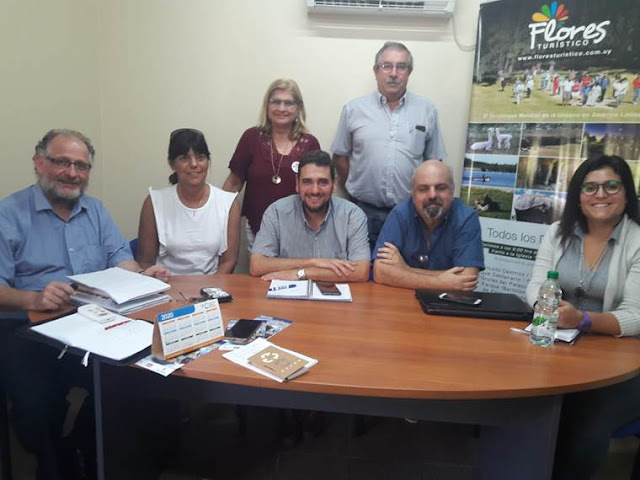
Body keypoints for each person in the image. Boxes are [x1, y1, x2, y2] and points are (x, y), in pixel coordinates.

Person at [0, 129, 169, 480]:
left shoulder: (96, 210)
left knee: (133, 381)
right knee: (36, 404)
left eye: (81, 166)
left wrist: (144, 275)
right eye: (62, 162)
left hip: (94, 325)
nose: (72, 173)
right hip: (27, 329)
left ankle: (90, 449)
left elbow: (121, 261)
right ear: (39, 163)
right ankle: (56, 463)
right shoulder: (9, 214)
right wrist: (34, 298)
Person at [525, 154, 640, 479]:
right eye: (590, 188)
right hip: (556, 347)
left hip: (622, 362)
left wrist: (583, 320)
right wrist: (547, 309)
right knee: (526, 409)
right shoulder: (556, 232)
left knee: (584, 428)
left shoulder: (637, 241)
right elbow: (535, 286)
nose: (600, 194)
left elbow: (636, 315)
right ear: (578, 196)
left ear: (626, 193)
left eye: (611, 186)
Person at [331, 41, 446, 248]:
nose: (393, 73)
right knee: (360, 266)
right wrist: (356, 190)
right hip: (362, 212)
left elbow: (434, 162)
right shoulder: (353, 109)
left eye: (401, 67)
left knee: (405, 267)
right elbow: (340, 156)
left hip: (411, 213)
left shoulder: (426, 109)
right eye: (387, 66)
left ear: (409, 72)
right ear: (376, 71)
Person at [222, 79, 320, 249]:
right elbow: (233, 183)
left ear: (298, 107)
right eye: (275, 102)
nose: (281, 108)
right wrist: (217, 218)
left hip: (300, 232)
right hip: (258, 228)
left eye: (288, 103)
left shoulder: (310, 144)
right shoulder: (251, 138)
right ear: (267, 106)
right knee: (260, 267)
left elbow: (317, 190)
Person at [250, 150, 370, 283]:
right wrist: (313, 262)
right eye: (307, 182)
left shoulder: (352, 215)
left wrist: (302, 273)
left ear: (334, 184)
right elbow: (257, 265)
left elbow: (361, 272)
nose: (315, 190)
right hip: (287, 295)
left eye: (323, 182)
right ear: (297, 184)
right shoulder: (277, 212)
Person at [137, 128, 240, 274]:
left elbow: (229, 262)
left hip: (212, 285)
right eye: (184, 158)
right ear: (172, 164)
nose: (194, 164)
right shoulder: (154, 203)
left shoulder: (228, 203)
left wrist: (212, 287)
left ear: (208, 161)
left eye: (200, 157)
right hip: (166, 284)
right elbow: (145, 262)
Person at [373, 160, 484, 290]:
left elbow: (467, 279)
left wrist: (405, 270)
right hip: (403, 297)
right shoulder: (400, 214)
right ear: (413, 193)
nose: (432, 195)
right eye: (423, 189)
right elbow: (380, 272)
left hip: (447, 300)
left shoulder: (466, 218)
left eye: (441, 188)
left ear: (452, 190)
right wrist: (441, 282)